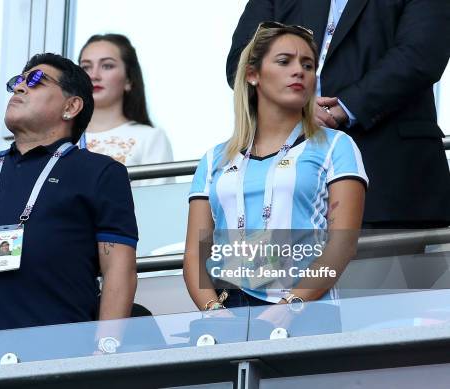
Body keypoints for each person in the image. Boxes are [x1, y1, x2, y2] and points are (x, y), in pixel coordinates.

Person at [0, 53, 138, 341]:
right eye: (18, 81)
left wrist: (106, 350)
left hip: (58, 357)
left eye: (35, 81)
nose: (20, 87)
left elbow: (119, 269)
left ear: (71, 106)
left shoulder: (101, 172)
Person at [183, 23, 367, 323]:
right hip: (227, 309)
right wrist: (214, 311)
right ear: (253, 74)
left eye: (308, 65)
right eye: (285, 62)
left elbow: (343, 243)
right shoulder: (214, 158)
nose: (299, 71)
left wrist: (291, 305)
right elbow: (194, 253)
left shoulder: (336, 145)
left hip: (307, 306)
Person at [226, 0, 450, 228]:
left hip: (390, 183)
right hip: (284, 190)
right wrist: (301, 106)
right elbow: (243, 59)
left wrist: (344, 107)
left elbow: (421, 54)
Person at [78, 34, 174, 186]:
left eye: (107, 66)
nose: (94, 75)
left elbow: (157, 203)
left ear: (129, 79)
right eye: (86, 67)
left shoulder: (150, 138)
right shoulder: (61, 138)